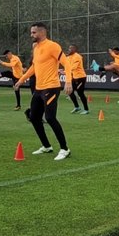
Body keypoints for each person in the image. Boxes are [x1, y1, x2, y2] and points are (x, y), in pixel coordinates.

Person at [14, 22, 73, 161]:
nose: (31, 35)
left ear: (42, 32)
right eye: (31, 32)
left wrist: (68, 81)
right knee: (34, 117)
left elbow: (67, 63)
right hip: (39, 89)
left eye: (34, 32)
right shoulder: (36, 48)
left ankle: (65, 149)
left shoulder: (52, 46)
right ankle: (46, 146)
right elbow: (34, 67)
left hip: (51, 87)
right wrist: (21, 80)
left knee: (50, 117)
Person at [66, 44, 89, 114]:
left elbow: (73, 67)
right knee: (69, 91)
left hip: (81, 77)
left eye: (71, 48)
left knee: (80, 93)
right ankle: (77, 107)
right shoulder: (69, 57)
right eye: (69, 48)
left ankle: (86, 109)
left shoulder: (77, 57)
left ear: (74, 50)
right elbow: (67, 66)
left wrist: (64, 71)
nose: (69, 50)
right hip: (74, 77)